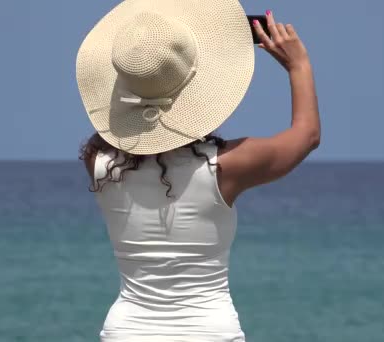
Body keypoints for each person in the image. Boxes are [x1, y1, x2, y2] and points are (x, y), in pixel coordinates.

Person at [76, 0, 320, 340]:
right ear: (194, 91)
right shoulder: (224, 167)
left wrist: (138, 87)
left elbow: (109, 130)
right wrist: (299, 67)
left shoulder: (99, 164)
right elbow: (306, 136)